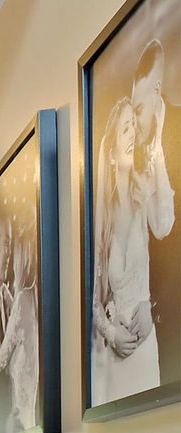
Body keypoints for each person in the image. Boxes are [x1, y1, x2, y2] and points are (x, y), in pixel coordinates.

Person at [92, 41, 175, 404]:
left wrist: (156, 148)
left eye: (134, 125)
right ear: (110, 153)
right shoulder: (104, 219)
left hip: (145, 345)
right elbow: (92, 298)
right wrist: (110, 332)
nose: (132, 137)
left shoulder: (143, 200)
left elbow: (165, 224)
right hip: (114, 357)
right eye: (127, 129)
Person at [0, 204, 40, 433]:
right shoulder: (14, 297)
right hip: (12, 420)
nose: (7, 251)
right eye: (4, 243)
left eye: (11, 244)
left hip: (21, 421)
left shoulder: (20, 298)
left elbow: (3, 361)